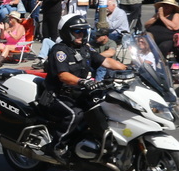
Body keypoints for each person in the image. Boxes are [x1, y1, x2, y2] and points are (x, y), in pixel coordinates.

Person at [41, 14, 126, 162]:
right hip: (57, 95)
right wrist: (82, 82)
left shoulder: (85, 49)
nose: (81, 34)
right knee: (75, 114)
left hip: (79, 94)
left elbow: (105, 61)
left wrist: (127, 69)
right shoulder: (59, 50)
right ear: (67, 32)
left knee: (103, 108)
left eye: (83, 31)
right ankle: (56, 146)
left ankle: (98, 144)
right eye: (77, 31)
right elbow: (63, 75)